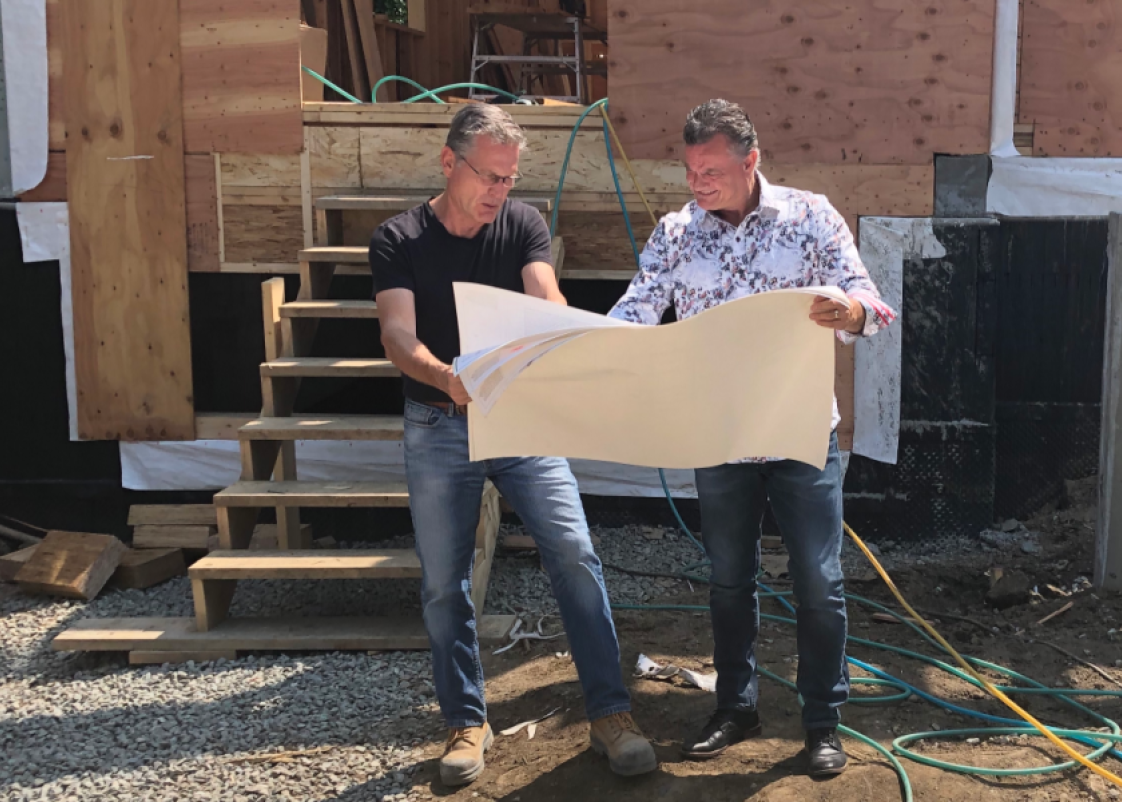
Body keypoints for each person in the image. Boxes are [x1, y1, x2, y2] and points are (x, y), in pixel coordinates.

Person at [607, 99, 897, 777]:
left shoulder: (810, 216)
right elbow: (635, 311)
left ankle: (822, 721)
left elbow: (871, 302)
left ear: (751, 161)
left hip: (800, 433)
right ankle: (736, 707)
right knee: (728, 581)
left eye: (710, 170)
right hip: (721, 436)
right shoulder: (676, 233)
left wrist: (851, 311)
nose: (697, 183)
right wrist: (576, 346)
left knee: (818, 582)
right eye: (689, 170)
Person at [369, 103, 656, 786]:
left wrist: (562, 328)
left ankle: (610, 714)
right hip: (438, 420)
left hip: (521, 417)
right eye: (489, 176)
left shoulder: (523, 223)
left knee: (575, 552)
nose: (500, 191)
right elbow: (396, 335)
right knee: (444, 582)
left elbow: (543, 292)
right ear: (449, 162)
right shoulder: (397, 238)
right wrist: (446, 377)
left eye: (509, 178)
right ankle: (465, 722)